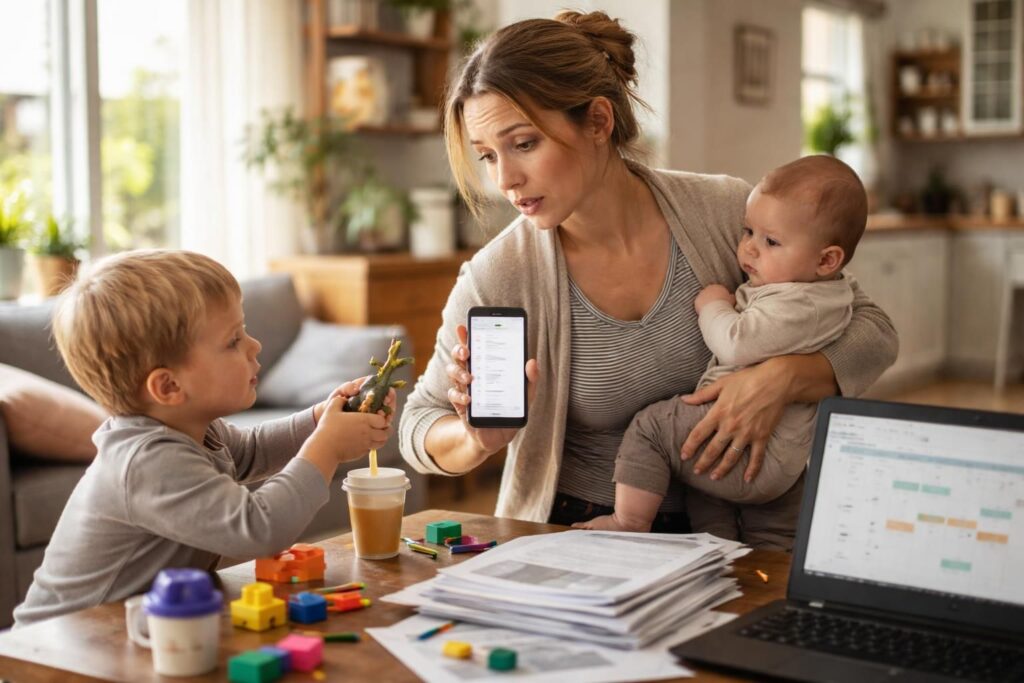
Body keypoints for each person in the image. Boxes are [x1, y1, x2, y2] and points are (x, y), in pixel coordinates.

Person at [398, 10, 897, 535]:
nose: (505, 179)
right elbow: (418, 422)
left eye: (524, 144)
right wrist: (474, 440)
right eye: (487, 156)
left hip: (738, 526)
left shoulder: (725, 212)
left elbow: (874, 330)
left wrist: (781, 380)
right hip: (587, 532)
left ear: (598, 121)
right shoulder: (500, 273)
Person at [13, 250, 393, 627]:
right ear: (169, 386)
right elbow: (260, 529)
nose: (254, 346)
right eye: (233, 340)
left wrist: (319, 419)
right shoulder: (148, 462)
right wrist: (327, 447)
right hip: (59, 644)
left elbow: (250, 451)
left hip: (130, 632)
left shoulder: (192, 429)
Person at [574, 155, 866, 548]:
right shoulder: (827, 292)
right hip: (782, 462)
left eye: (771, 242)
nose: (749, 249)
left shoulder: (800, 303)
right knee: (745, 537)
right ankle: (733, 563)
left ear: (827, 260)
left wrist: (713, 305)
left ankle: (628, 520)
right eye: (748, 232)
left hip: (749, 449)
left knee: (653, 428)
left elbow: (735, 343)